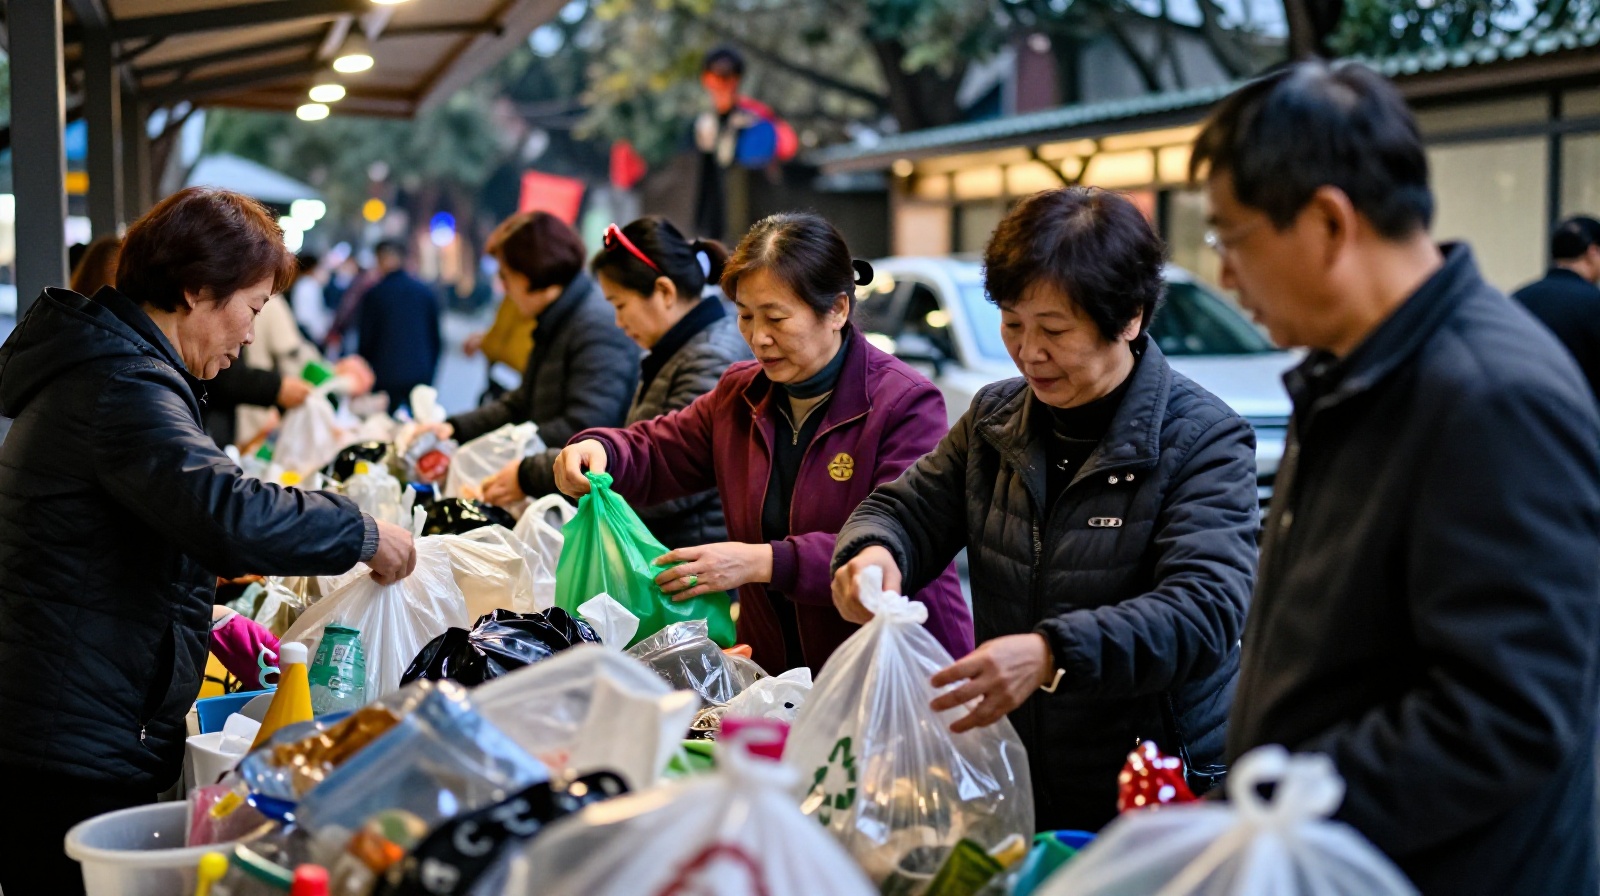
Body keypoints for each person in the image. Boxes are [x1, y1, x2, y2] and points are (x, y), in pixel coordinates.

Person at [1196, 63, 1600, 895]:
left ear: (1328, 222)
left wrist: (1282, 798)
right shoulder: (1359, 373)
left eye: (1232, 241)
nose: (1227, 279)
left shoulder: (1492, 395)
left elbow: (1509, 712)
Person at [0, 186, 418, 895]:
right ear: (196, 291)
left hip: (70, 718)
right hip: (69, 740)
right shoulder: (122, 384)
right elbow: (227, 513)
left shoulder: (118, 368)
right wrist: (362, 530)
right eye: (252, 307)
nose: (252, 334)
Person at [831, 187, 1257, 831]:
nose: (1028, 351)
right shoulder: (994, 419)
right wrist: (872, 552)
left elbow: (1205, 610)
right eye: (1012, 323)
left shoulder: (1204, 440)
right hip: (1017, 772)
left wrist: (1052, 653)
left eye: (1054, 330)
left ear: (1130, 318)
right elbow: (906, 511)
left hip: (1154, 791)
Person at [553, 212, 972, 674]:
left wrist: (764, 562)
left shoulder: (903, 403)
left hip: (892, 669)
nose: (758, 338)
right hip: (778, 672)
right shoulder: (740, 393)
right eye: (746, 317)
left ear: (837, 309)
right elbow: (660, 449)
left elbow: (904, 537)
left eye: (776, 317)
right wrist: (600, 449)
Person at [436, 212, 640, 506]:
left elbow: (587, 425)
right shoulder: (556, 318)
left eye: (506, 276)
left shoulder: (595, 324)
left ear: (531, 270)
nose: (504, 288)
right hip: (550, 482)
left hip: (574, 499)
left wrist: (515, 463)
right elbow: (522, 402)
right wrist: (454, 428)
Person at [590, 216, 751, 549]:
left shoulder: (710, 355)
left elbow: (674, 477)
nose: (619, 322)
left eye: (620, 305)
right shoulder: (678, 347)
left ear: (664, 290)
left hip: (694, 563)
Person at [1512, 215, 1600, 401]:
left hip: (1521, 416)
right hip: (1582, 419)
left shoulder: (1517, 300)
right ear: (1593, 252)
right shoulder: (1594, 303)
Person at [357, 238, 443, 406]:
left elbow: (366, 340)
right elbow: (436, 339)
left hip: (383, 376)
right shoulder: (425, 292)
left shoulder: (375, 293)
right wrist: (430, 373)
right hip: (420, 373)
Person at [289, 252, 333, 344]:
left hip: (308, 331)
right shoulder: (308, 285)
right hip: (309, 333)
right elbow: (308, 315)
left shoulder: (303, 284)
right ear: (312, 268)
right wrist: (320, 333)